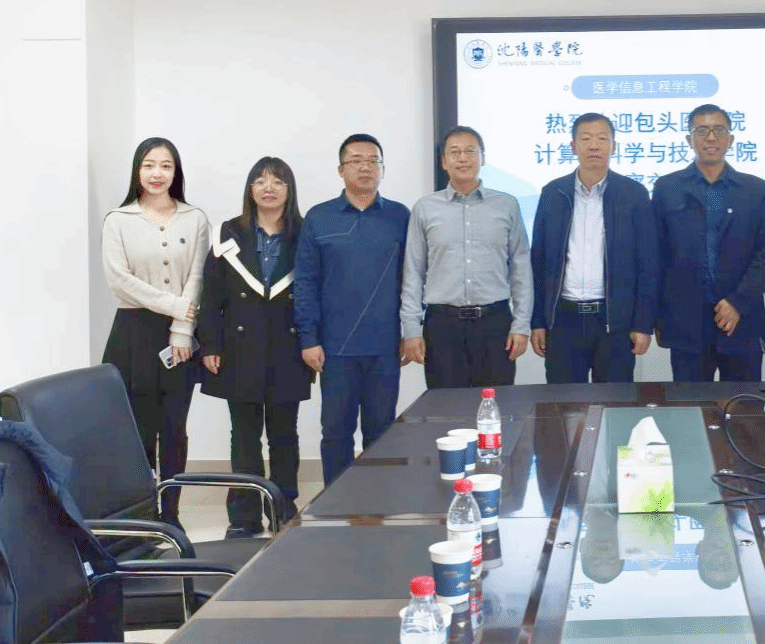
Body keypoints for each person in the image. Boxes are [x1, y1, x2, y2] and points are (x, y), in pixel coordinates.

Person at [198, 156, 313, 538]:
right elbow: (210, 295)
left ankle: (283, 509)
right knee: (244, 437)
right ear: (250, 189)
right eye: (260, 180)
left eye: (277, 181)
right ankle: (243, 517)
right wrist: (210, 345)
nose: (269, 188)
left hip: (288, 348)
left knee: (284, 435)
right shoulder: (228, 233)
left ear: (289, 190)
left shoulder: (305, 234)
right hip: (239, 349)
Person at [101, 137, 209, 527]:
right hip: (133, 333)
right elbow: (119, 281)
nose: (157, 173)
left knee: (174, 428)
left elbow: (197, 276)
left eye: (166, 165)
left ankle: (172, 514)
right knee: (138, 429)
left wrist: (182, 329)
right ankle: (144, 516)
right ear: (137, 171)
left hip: (180, 334)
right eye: (149, 165)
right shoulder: (119, 219)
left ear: (176, 172)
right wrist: (174, 306)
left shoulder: (194, 218)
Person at [295, 134, 411, 486]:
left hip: (385, 347)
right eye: (356, 160)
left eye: (373, 161)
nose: (365, 167)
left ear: (382, 169)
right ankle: (335, 504)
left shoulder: (400, 216)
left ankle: (379, 502)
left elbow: (413, 279)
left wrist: (411, 332)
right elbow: (305, 282)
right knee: (336, 434)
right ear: (340, 170)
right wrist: (308, 338)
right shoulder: (319, 217)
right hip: (334, 348)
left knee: (382, 431)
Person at [530, 113, 659, 383]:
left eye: (602, 139)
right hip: (564, 320)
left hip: (614, 322)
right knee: (564, 403)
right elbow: (539, 261)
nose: (594, 146)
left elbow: (648, 263)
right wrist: (538, 321)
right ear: (574, 147)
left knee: (614, 402)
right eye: (586, 139)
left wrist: (643, 324)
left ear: (614, 146)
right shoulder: (553, 193)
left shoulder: (633, 194)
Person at [401, 126, 533, 389]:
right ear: (443, 161)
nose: (463, 158)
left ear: (482, 158)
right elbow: (413, 271)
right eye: (455, 152)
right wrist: (412, 329)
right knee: (445, 407)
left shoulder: (506, 205)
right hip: (443, 325)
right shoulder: (425, 208)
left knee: (496, 404)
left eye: (470, 151)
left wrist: (521, 325)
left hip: (494, 323)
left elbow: (520, 268)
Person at [652, 104, 765, 382]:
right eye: (702, 130)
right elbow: (656, 256)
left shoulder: (755, 189)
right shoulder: (667, 188)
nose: (711, 137)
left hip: (741, 320)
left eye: (719, 130)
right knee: (690, 404)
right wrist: (658, 317)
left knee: (744, 403)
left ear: (731, 139)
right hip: (686, 322)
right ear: (689, 139)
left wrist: (737, 302)